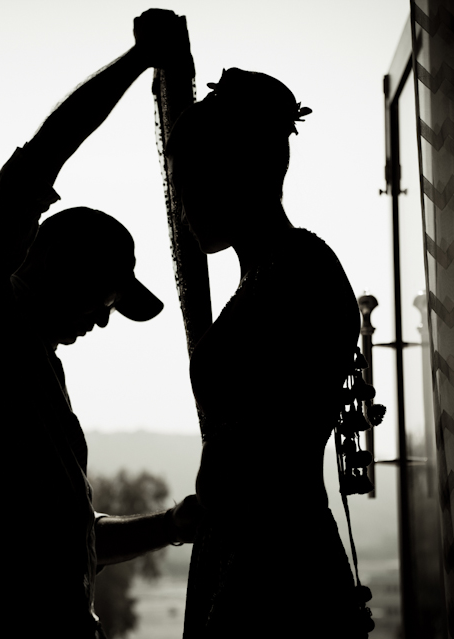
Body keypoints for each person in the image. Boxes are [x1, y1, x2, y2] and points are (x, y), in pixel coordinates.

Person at [0, 10, 202, 639]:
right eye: (101, 299)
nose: (102, 322)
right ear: (49, 261)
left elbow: (75, 540)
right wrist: (138, 60)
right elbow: (43, 156)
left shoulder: (41, 374)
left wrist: (173, 526)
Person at [165, 68, 373, 638]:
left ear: (234, 174)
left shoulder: (299, 274)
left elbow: (273, 457)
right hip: (243, 550)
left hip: (273, 566)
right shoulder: (269, 274)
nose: (183, 211)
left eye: (189, 188)